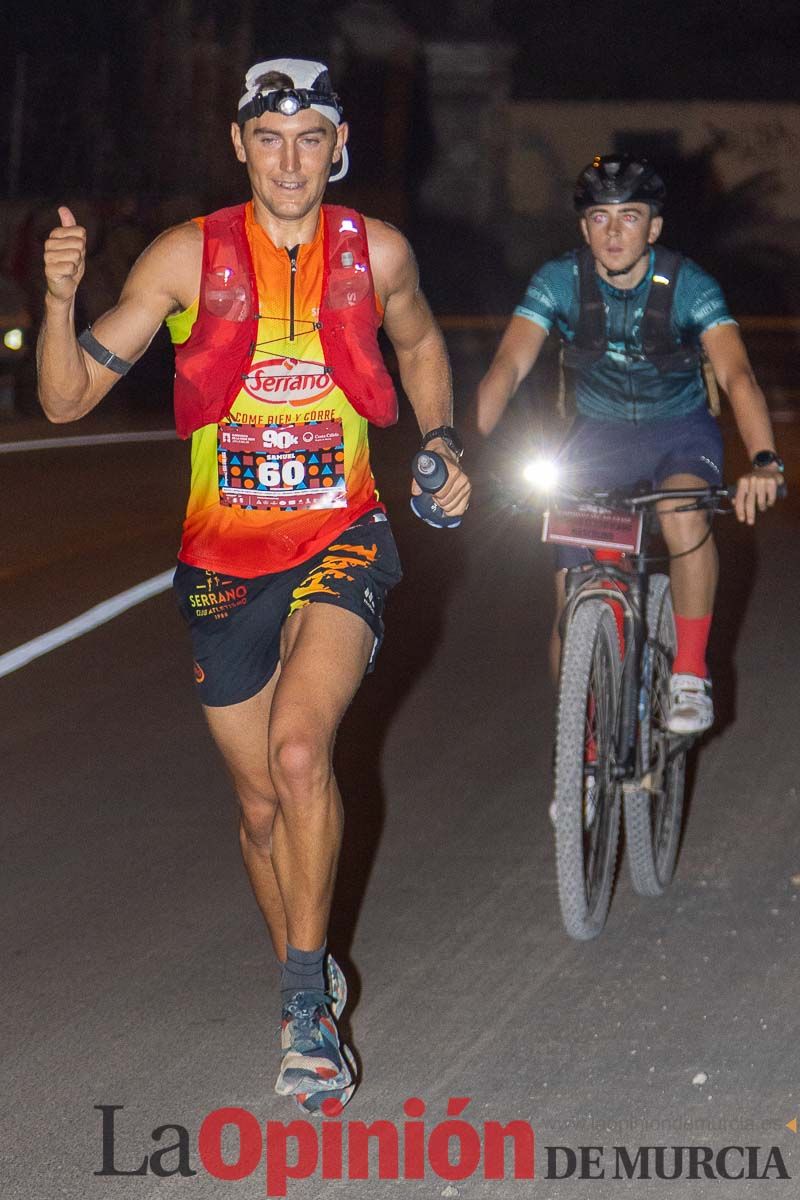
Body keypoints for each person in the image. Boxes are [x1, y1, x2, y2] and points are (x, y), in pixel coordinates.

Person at [37, 57, 470, 1113]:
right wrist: (58, 301)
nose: (289, 159)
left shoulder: (380, 254)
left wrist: (445, 440)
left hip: (342, 538)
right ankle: (304, 969)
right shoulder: (186, 259)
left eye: (309, 138)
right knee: (264, 809)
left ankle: (304, 1011)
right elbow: (62, 400)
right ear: (239, 145)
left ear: (337, 146)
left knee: (297, 749)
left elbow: (417, 347)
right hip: (223, 564)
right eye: (267, 138)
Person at [477, 154, 783, 735]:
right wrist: (468, 453)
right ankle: (581, 742)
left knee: (681, 513)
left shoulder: (689, 285)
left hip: (679, 432)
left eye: (630, 216)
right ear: (583, 226)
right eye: (599, 217)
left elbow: (738, 375)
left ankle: (689, 675)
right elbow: (507, 368)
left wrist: (765, 460)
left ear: (654, 227)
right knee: (571, 603)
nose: (613, 232)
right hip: (597, 440)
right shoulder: (558, 281)